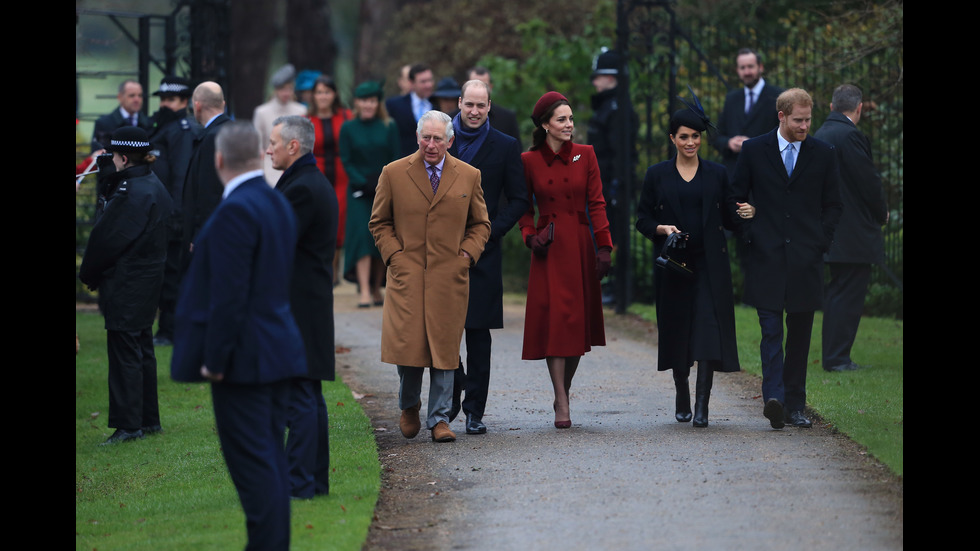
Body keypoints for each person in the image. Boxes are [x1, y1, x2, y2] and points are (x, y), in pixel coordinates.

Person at [172, 121, 307, 550]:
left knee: (256, 468)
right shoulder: (275, 201)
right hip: (275, 350)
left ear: (217, 159)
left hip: (244, 361)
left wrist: (214, 359)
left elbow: (229, 295)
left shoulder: (236, 210)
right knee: (267, 461)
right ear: (256, 154)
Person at [369, 110, 490, 443]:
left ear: (450, 141)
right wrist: (395, 256)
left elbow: (480, 224)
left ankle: (439, 419)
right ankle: (409, 405)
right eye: (426, 137)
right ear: (417, 138)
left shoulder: (468, 175)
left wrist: (466, 254)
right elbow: (379, 222)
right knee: (408, 345)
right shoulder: (393, 173)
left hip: (449, 277)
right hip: (407, 275)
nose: (431, 144)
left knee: (445, 347)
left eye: (438, 138)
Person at [730, 88, 843, 429]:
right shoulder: (753, 150)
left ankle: (795, 405)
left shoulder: (822, 153)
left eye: (808, 119)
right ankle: (774, 398)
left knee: (800, 336)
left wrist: (819, 242)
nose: (805, 126)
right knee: (770, 332)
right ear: (781, 116)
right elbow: (736, 197)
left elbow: (834, 204)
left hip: (805, 260)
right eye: (798, 120)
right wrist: (749, 233)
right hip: (766, 258)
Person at [635, 105, 748, 427]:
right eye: (683, 137)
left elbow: (729, 216)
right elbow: (642, 219)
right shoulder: (657, 174)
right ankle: (682, 392)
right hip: (674, 267)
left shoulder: (717, 173)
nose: (690, 142)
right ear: (673, 138)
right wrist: (662, 229)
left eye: (695, 136)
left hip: (710, 266)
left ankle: (702, 406)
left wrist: (745, 213)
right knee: (678, 332)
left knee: (708, 333)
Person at [519, 91, 612, 429]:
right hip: (548, 247)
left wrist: (604, 247)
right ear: (545, 125)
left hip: (579, 245)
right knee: (556, 321)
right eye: (562, 119)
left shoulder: (585, 155)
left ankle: (564, 389)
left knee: (575, 324)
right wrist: (530, 236)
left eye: (571, 119)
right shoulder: (527, 161)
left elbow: (597, 203)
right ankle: (561, 399)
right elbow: (524, 209)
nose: (569, 124)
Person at [79, 126, 172, 445]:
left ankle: (128, 424)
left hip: (128, 280)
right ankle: (147, 420)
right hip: (147, 278)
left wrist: (88, 274)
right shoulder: (150, 183)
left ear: (121, 157)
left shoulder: (131, 193)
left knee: (125, 353)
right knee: (142, 347)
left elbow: (106, 239)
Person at [447, 79, 529, 435]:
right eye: (470, 105)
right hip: (441, 251)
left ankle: (474, 410)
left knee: (478, 333)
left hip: (484, 251)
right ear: (460, 104)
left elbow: (521, 199)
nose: (475, 112)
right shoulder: (439, 139)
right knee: (443, 331)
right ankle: (449, 397)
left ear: (490, 106)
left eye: (482, 106)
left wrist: (491, 232)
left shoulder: (505, 146)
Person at [266, 115, 338, 499]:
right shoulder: (303, 182)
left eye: (273, 143)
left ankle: (300, 484)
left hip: (299, 307)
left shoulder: (304, 188)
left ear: (294, 146)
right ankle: (313, 482)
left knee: (300, 396)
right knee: (307, 394)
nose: (268, 149)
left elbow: (275, 243)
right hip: (305, 304)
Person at [814, 84, 888, 373]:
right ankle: (838, 358)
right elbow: (868, 182)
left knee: (837, 293)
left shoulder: (820, 134)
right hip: (853, 232)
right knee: (848, 294)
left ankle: (835, 356)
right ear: (858, 109)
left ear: (832, 107)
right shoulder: (850, 136)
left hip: (831, 230)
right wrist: (881, 212)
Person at [147, 75, 202, 347]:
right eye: (163, 99)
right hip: (162, 213)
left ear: (183, 102)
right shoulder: (164, 127)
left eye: (170, 100)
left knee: (173, 275)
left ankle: (170, 330)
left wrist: (179, 216)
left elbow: (181, 175)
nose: (165, 104)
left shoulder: (181, 129)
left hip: (174, 216)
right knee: (166, 273)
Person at [339, 80, 400, 307]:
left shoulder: (389, 126)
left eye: (372, 101)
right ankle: (364, 290)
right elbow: (346, 159)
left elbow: (396, 157)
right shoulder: (348, 128)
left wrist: (385, 182)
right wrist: (361, 181)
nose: (368, 105)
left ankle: (376, 288)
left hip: (384, 188)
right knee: (362, 239)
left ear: (378, 103)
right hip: (358, 191)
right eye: (364, 100)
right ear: (357, 103)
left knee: (381, 239)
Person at [587, 48, 638, 302]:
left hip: (610, 183)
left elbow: (620, 152)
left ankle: (615, 286)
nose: (595, 82)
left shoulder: (616, 109)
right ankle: (607, 283)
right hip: (602, 181)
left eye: (599, 76)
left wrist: (617, 185)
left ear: (611, 78)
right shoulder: (608, 107)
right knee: (603, 232)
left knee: (611, 233)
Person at [712, 48, 784, 177]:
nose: (747, 72)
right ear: (737, 71)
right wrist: (729, 143)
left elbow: (786, 137)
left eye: (750, 67)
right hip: (734, 175)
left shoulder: (778, 96)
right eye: (742, 68)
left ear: (760, 67)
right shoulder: (731, 98)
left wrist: (753, 145)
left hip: (766, 174)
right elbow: (717, 136)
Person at [181, 81, 230, 272]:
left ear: (197, 105)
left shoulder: (212, 137)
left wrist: (198, 234)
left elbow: (209, 191)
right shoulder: (232, 130)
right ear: (223, 104)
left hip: (209, 234)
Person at [308, 76, 352, 283]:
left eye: (327, 91)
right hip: (317, 172)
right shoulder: (306, 119)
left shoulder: (346, 116)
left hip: (342, 173)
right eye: (319, 92)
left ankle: (336, 270)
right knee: (321, 217)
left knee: (341, 218)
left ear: (334, 94)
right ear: (313, 96)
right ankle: (325, 269)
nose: (323, 96)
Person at [254, 64, 308, 183]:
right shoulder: (262, 112)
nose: (286, 93)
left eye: (289, 89)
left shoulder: (301, 111)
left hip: (295, 167)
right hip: (270, 168)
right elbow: (258, 145)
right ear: (276, 90)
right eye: (282, 89)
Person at [385, 63, 435, 157]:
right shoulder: (394, 105)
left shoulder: (438, 104)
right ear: (412, 83)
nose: (428, 85)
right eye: (423, 82)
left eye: (430, 80)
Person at [466, 66, 522, 147]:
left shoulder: (507, 119)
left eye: (484, 86)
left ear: (491, 87)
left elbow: (516, 153)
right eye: (474, 85)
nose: (478, 90)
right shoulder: (450, 120)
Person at [91, 80, 152, 152]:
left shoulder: (149, 123)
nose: (137, 99)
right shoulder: (104, 123)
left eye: (140, 95)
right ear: (120, 97)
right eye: (131, 95)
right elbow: (99, 154)